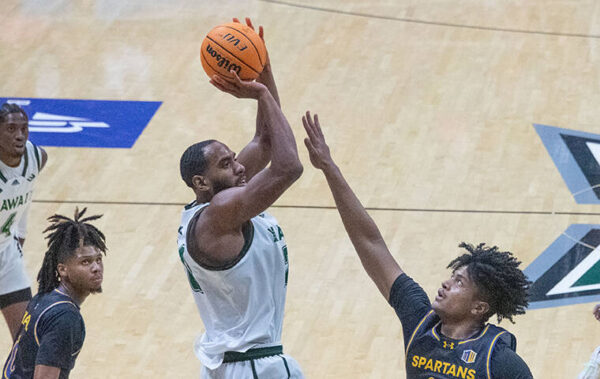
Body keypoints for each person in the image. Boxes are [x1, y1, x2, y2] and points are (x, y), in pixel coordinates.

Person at [302, 111, 533, 378]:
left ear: (479, 308)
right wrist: (329, 168)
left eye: (460, 283)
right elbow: (370, 243)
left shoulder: (500, 362)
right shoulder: (420, 321)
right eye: (452, 277)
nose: (446, 284)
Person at [177, 18, 304, 379]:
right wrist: (261, 94)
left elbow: (265, 139)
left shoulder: (218, 199)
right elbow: (288, 166)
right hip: (251, 367)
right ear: (201, 182)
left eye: (235, 158)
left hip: (244, 364)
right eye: (226, 163)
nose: (239, 166)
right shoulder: (220, 212)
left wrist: (262, 69)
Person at [2, 207, 106, 379]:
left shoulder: (44, 297)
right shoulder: (65, 318)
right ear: (62, 269)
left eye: (98, 259)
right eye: (85, 262)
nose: (96, 268)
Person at [0, 103, 48, 341]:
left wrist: (20, 233)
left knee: (27, 344)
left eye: (24, 128)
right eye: (10, 129)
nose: (19, 135)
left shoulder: (35, 157)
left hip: (7, 256)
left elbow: (26, 192)